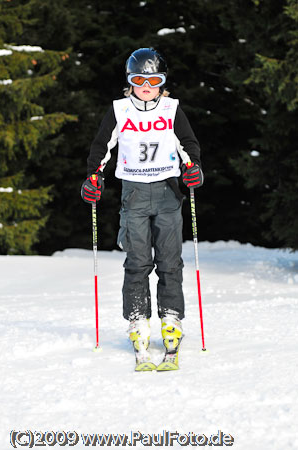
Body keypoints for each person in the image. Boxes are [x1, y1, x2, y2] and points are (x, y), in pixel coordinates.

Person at [81, 47, 203, 369]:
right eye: (139, 79)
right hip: (133, 195)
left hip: (167, 193)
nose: (145, 86)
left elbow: (188, 145)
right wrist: (94, 177)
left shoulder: (172, 109)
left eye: (153, 79)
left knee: (169, 261)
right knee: (136, 261)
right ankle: (137, 320)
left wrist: (194, 169)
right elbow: (101, 147)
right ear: (129, 82)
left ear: (162, 83)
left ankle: (172, 319)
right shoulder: (120, 111)